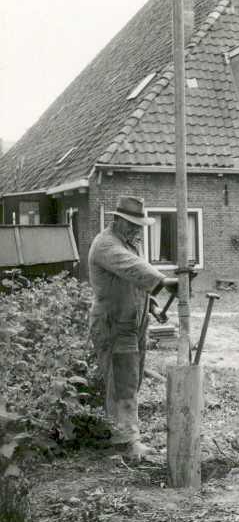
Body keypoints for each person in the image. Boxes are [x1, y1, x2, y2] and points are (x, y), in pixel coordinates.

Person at [88, 195, 179, 460]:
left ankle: (125, 434)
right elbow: (131, 268)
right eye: (131, 223)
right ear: (116, 220)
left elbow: (131, 281)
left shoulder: (129, 242)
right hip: (113, 324)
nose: (137, 229)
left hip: (133, 323)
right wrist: (163, 281)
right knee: (122, 383)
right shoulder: (105, 244)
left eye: (140, 225)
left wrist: (151, 305)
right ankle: (127, 443)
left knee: (133, 379)